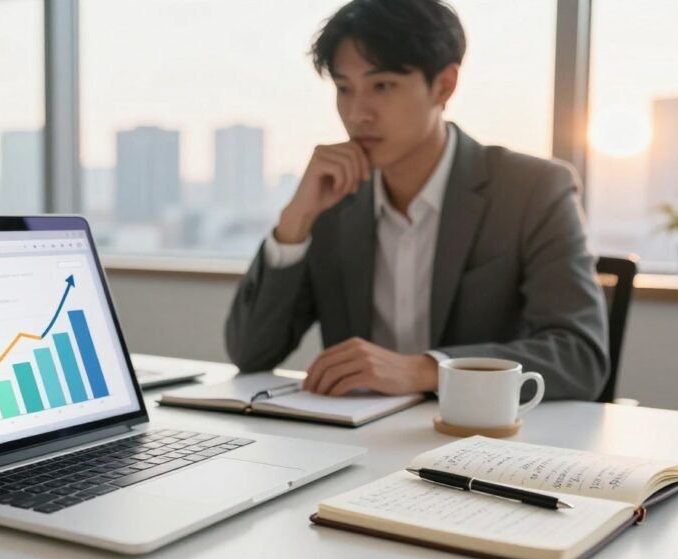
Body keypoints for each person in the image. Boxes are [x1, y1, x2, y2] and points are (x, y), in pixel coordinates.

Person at [224, 0, 609, 400]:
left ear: (444, 85)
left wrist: (424, 370)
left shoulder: (532, 190)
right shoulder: (331, 197)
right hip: (355, 444)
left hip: (481, 444)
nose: (357, 114)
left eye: (383, 86)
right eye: (344, 88)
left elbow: (579, 357)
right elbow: (251, 354)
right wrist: (293, 223)